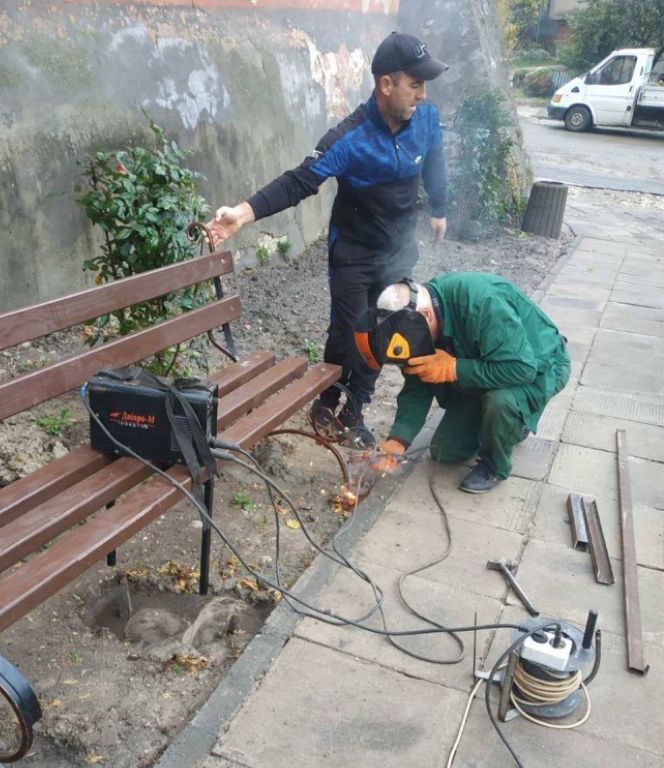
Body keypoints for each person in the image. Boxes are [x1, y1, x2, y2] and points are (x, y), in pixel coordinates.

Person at [206, 32, 450, 447]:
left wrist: (439, 208)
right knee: (347, 333)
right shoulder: (349, 139)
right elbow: (300, 181)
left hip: (397, 252)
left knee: (386, 331)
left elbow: (436, 159)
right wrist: (241, 216)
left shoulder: (425, 120)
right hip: (352, 252)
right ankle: (328, 397)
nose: (422, 95)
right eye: (415, 84)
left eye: (424, 85)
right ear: (386, 85)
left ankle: (354, 410)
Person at [354, 273, 571, 493]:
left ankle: (494, 465)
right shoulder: (411, 326)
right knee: (445, 452)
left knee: (501, 402)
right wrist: (398, 441)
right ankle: (502, 425)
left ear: (426, 314)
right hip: (491, 367)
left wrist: (453, 368)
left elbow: (521, 368)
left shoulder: (483, 303)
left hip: (540, 366)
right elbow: (417, 386)